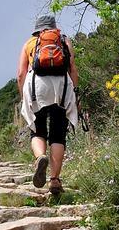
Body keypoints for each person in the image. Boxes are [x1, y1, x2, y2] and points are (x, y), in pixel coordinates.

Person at [18, 14, 78, 197]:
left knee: (38, 130)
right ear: (53, 27)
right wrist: (74, 95)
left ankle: (40, 157)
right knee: (58, 135)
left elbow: (21, 74)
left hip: (37, 89)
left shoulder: (30, 43)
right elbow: (73, 69)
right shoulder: (64, 41)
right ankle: (54, 180)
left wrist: (24, 97)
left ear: (37, 29)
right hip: (61, 89)